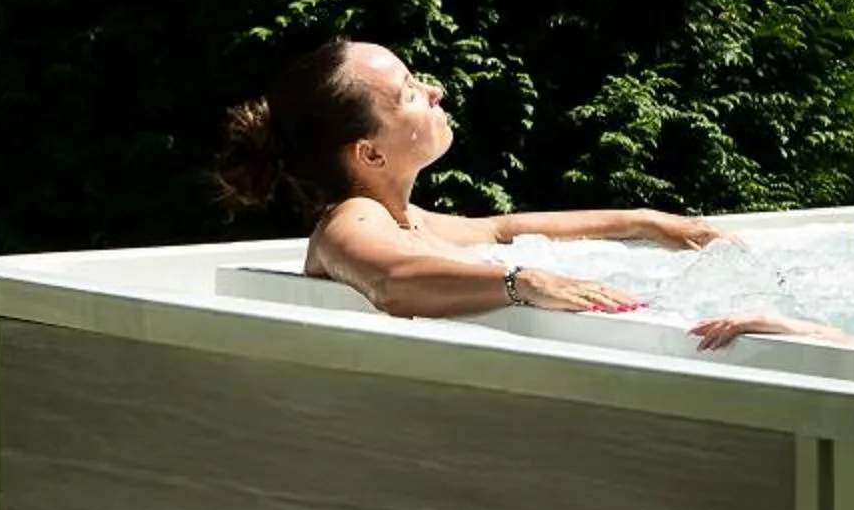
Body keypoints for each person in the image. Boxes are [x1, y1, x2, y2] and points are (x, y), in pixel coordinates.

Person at [216, 40, 721, 318]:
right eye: (409, 93)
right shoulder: (351, 221)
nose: (434, 90)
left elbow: (502, 229)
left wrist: (642, 221)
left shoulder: (403, 219)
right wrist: (523, 284)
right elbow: (390, 282)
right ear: (368, 153)